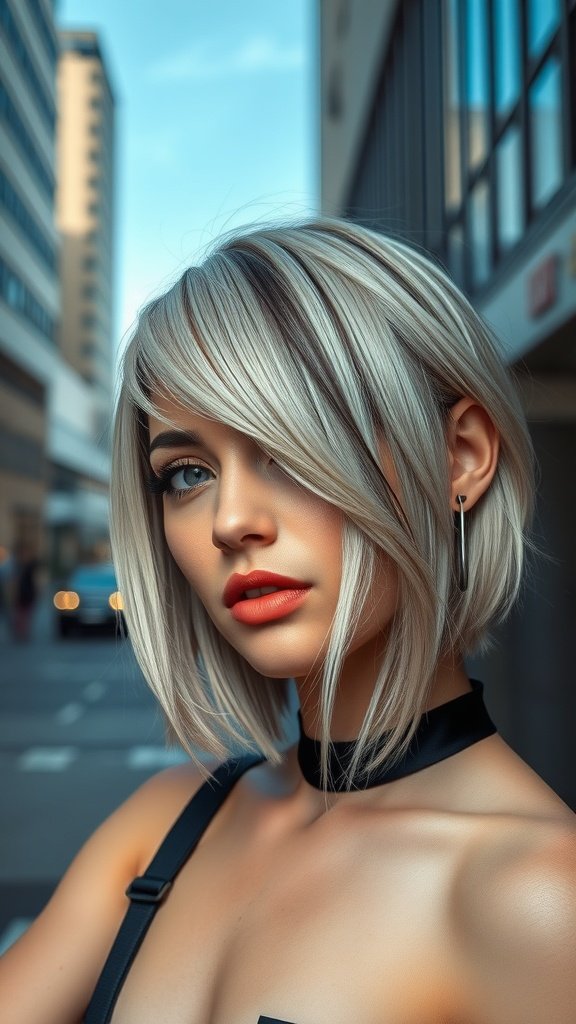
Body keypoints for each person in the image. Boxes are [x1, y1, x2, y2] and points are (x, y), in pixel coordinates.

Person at [1, 218, 575, 1023]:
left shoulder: (539, 899)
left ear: (462, 456)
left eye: (288, 444)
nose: (231, 519)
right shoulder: (170, 822)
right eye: (188, 472)